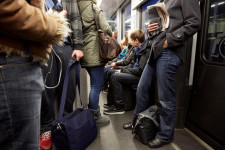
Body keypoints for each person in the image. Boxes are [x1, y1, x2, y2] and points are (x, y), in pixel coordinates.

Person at [123, 0, 201, 148]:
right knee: (142, 88)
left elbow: (194, 22)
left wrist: (169, 40)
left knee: (165, 97)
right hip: (155, 50)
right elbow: (162, 28)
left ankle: (165, 135)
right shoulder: (162, 1)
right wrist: (151, 31)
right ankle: (137, 121)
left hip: (170, 50)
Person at [0, 0, 70, 149]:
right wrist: (55, 24)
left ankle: (59, 126)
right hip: (13, 58)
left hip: (24, 55)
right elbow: (7, 7)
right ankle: (47, 129)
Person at [40, 0, 83, 149]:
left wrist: (78, 45)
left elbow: (76, 20)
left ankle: (66, 123)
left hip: (65, 45)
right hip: (44, 44)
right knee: (47, 89)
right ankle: (45, 127)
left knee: (69, 87)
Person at [77, 0, 112, 125]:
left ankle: (91, 111)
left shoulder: (76, 8)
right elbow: (106, 28)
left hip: (83, 52)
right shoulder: (93, 8)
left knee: (93, 86)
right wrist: (111, 34)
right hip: (95, 52)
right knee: (95, 86)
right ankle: (95, 116)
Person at [103, 30, 150, 115]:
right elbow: (132, 64)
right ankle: (112, 102)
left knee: (115, 77)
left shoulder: (145, 51)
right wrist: (121, 70)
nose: (131, 42)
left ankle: (119, 106)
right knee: (110, 72)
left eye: (132, 40)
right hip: (135, 72)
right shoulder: (138, 49)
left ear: (136, 41)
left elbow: (139, 70)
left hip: (140, 76)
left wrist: (122, 70)